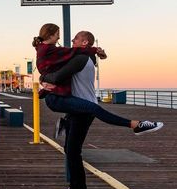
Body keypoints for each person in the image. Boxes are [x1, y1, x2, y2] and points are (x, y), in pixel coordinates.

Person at [32, 23, 164, 135]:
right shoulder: (49, 50)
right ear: (50, 35)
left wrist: (96, 52)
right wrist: (43, 77)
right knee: (93, 110)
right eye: (57, 35)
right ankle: (136, 125)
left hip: (62, 96)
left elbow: (74, 54)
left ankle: (65, 124)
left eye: (75, 39)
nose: (61, 38)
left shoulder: (73, 56)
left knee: (72, 149)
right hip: (57, 97)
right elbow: (69, 56)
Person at [44, 30, 98, 189]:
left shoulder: (81, 59)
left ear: (84, 43)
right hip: (77, 108)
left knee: (74, 152)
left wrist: (44, 78)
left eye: (76, 38)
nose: (72, 40)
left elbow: (59, 76)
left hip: (84, 109)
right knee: (70, 149)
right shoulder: (86, 56)